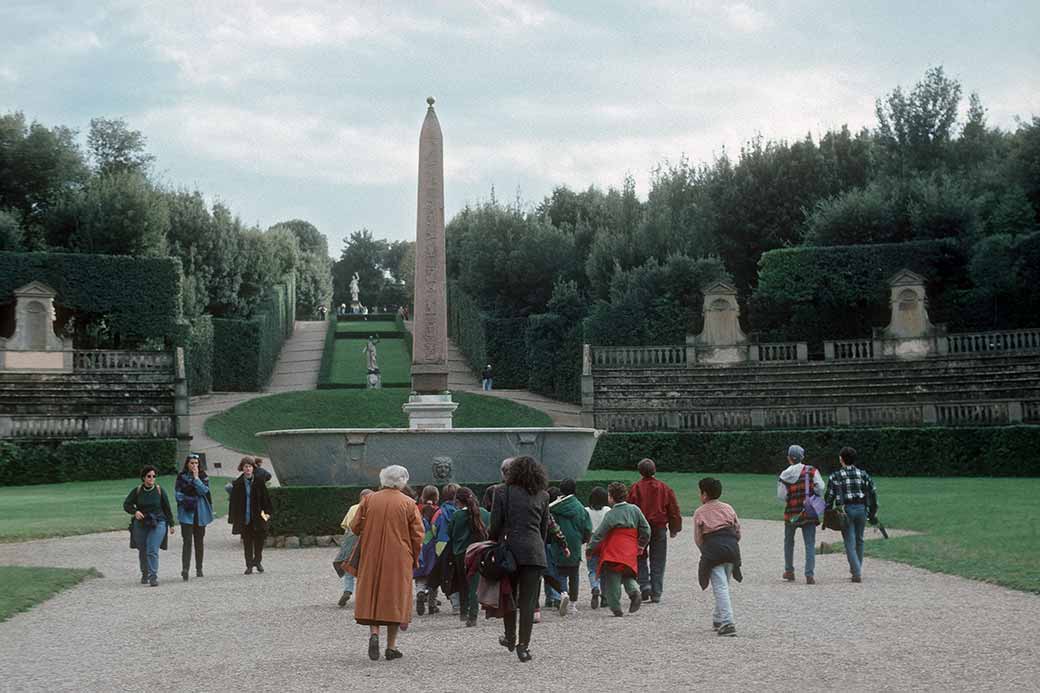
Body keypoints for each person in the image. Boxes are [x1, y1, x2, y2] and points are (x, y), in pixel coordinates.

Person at [350, 465, 424, 661]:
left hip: (371, 553)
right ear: (402, 481)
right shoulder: (408, 503)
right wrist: (414, 556)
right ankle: (391, 647)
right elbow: (418, 535)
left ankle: (374, 634)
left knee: (374, 593)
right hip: (399, 555)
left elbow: (355, 526)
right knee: (395, 598)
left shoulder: (369, 499)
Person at [489, 456, 551, 663]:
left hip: (509, 551)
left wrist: (492, 544)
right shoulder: (543, 495)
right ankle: (523, 646)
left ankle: (510, 636)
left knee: (509, 596)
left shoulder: (502, 492)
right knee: (528, 601)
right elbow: (543, 530)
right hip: (534, 552)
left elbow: (495, 525)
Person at [587, 482, 650, 617]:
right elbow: (646, 529)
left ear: (611, 497)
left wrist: (590, 548)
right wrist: (641, 545)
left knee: (612, 576)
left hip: (614, 549)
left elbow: (599, 534)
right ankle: (634, 592)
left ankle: (616, 607)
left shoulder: (611, 514)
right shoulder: (635, 509)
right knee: (628, 573)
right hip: (630, 547)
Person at [693, 477, 742, 637]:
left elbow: (698, 538)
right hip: (732, 548)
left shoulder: (700, 512)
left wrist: (705, 551)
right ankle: (718, 618)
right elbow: (737, 530)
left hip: (713, 549)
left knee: (720, 587)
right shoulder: (728, 508)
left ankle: (728, 623)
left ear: (705, 494)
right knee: (724, 585)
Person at [628, 458, 682, 603]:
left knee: (639, 556)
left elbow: (630, 509)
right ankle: (656, 591)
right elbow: (674, 509)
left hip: (641, 528)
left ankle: (644, 584)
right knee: (658, 559)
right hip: (659, 527)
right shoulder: (664, 488)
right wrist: (674, 528)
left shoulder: (635, 488)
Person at [825, 446, 879, 583]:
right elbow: (872, 493)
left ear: (841, 459)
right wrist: (872, 512)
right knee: (859, 540)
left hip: (846, 510)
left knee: (849, 541)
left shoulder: (835, 476)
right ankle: (857, 568)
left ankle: (856, 572)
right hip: (862, 508)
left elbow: (829, 497)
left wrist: (827, 511)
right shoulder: (863, 474)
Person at [777, 444, 825, 584]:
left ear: (789, 458)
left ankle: (789, 571)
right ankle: (809, 574)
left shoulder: (784, 474)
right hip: (808, 511)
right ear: (802, 457)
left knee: (789, 542)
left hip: (792, 512)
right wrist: (812, 493)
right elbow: (821, 487)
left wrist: (791, 498)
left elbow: (781, 496)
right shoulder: (812, 471)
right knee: (809, 543)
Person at [124, 465, 175, 586]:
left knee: (152, 549)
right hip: (142, 523)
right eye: (149, 476)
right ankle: (145, 573)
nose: (152, 478)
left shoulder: (159, 490)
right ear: (143, 477)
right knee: (143, 549)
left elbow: (167, 508)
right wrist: (135, 511)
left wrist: (171, 524)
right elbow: (127, 504)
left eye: (154, 476)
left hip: (158, 522)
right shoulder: (137, 491)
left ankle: (153, 576)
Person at [447, 487, 490, 627]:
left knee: (463, 583)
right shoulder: (484, 513)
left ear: (458, 501)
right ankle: (474, 613)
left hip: (461, 553)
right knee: (475, 583)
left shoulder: (457, 515)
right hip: (479, 551)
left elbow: (451, 533)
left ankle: (464, 612)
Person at [549, 478, 592, 616]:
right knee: (574, 574)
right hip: (575, 543)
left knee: (560, 572)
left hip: (558, 542)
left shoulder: (554, 507)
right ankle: (573, 604)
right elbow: (587, 529)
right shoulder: (580, 508)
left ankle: (563, 594)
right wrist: (582, 540)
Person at [229, 457, 273, 575]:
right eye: (245, 466)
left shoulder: (259, 482)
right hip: (245, 518)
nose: (248, 469)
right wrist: (233, 518)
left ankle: (257, 561)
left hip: (258, 517)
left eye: (249, 466)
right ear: (242, 468)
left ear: (253, 468)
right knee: (247, 543)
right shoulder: (238, 484)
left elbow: (266, 499)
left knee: (259, 541)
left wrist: (267, 513)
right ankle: (249, 565)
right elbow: (233, 502)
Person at [174, 453, 212, 581]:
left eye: (196, 463)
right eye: (192, 463)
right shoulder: (181, 477)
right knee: (187, 541)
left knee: (199, 541)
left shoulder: (203, 476)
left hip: (200, 513)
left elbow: (204, 491)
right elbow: (177, 495)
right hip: (186, 513)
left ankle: (199, 568)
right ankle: (185, 569)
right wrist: (188, 500)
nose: (194, 465)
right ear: (187, 464)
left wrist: (196, 479)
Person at [334, 489, 373, 606]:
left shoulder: (353, 508)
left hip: (352, 541)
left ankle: (347, 590)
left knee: (349, 567)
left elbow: (346, 527)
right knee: (366, 569)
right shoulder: (373, 508)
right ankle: (366, 596)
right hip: (367, 541)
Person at [427, 483, 461, 614]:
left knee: (442, 574)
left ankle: (437, 601)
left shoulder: (439, 512)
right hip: (457, 545)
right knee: (457, 575)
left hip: (441, 546)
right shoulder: (460, 511)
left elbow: (433, 528)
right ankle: (457, 604)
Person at [414, 486, 440, 615]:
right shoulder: (437, 510)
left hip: (419, 545)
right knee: (433, 575)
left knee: (420, 575)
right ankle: (432, 604)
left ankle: (420, 592)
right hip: (433, 546)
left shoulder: (416, 509)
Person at [584, 486, 610, 609]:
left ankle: (595, 586)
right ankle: (605, 597)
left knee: (592, 569)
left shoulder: (586, 511)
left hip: (591, 542)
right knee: (605, 570)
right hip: (605, 543)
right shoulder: (607, 510)